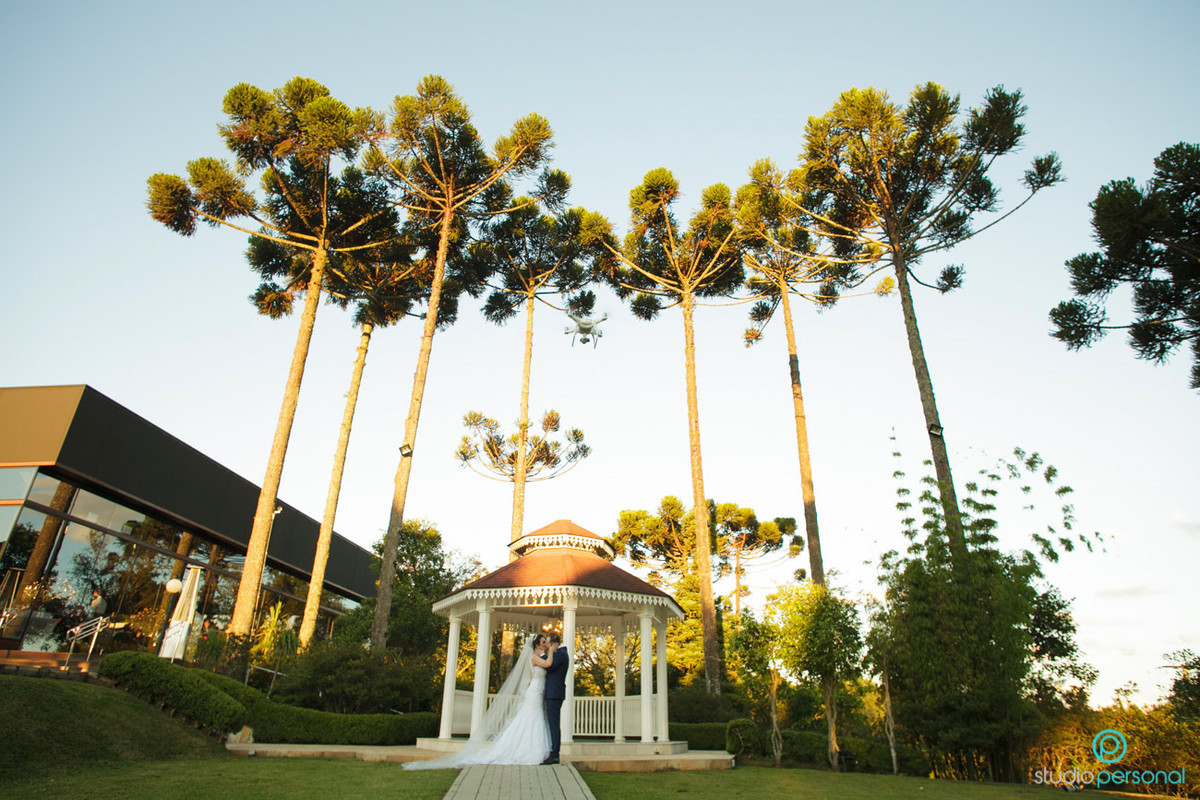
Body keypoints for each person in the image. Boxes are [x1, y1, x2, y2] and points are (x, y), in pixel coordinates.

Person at [404, 633, 552, 770]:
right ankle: (524, 749)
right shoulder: (534, 657)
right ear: (537, 644)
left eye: (546, 642)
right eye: (544, 642)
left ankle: (532, 747)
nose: (546, 644)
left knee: (535, 718)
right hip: (535, 691)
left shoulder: (542, 656)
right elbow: (546, 665)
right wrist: (553, 650)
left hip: (539, 691)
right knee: (530, 718)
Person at [541, 631, 569, 765]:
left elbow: (549, 666)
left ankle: (555, 754)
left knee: (554, 724)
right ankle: (551, 751)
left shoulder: (561, 654)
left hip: (554, 694)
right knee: (551, 723)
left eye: (547, 643)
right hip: (551, 693)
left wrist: (549, 652)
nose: (546, 645)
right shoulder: (558, 654)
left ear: (553, 644)